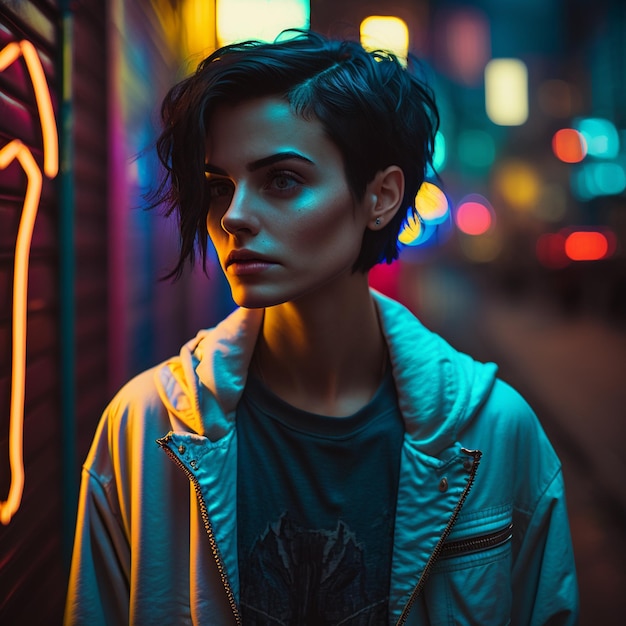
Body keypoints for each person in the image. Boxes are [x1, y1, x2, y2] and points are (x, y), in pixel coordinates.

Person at [64, 30, 579, 625]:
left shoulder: (493, 432)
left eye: (282, 179)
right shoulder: (146, 425)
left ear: (380, 197)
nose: (233, 215)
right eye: (218, 187)